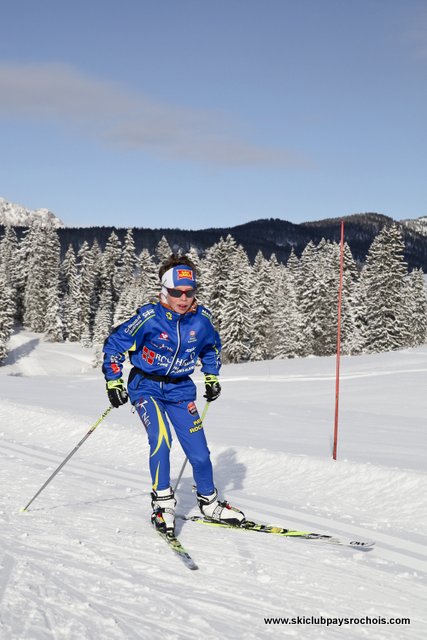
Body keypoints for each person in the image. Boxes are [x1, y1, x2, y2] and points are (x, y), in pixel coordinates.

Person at [102, 254, 245, 534]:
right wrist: (113, 381)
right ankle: (163, 502)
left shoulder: (201, 321)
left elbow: (211, 348)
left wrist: (212, 375)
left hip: (180, 388)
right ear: (163, 291)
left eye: (189, 292)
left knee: (200, 453)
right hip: (146, 386)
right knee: (162, 440)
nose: (183, 298)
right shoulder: (148, 318)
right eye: (175, 292)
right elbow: (114, 345)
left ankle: (209, 502)